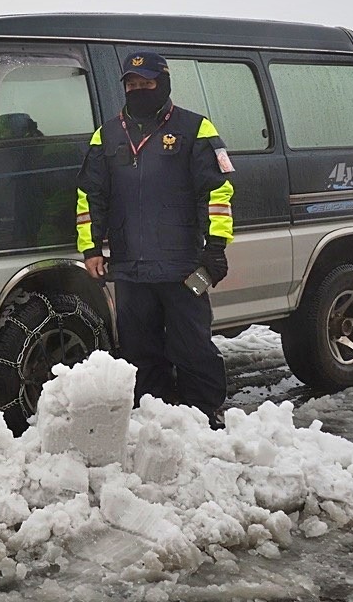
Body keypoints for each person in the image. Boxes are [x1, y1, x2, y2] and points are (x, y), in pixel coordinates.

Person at [75, 50, 234, 429]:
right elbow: (89, 196)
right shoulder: (107, 134)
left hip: (183, 266)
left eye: (146, 84)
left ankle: (206, 419)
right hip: (130, 268)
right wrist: (91, 248)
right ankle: (155, 421)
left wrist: (215, 249)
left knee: (193, 348)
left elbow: (217, 192)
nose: (138, 90)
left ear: (163, 84)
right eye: (132, 84)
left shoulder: (197, 129)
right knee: (138, 353)